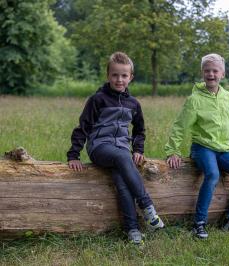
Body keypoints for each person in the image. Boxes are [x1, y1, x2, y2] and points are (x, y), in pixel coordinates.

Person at [67, 52, 164, 245]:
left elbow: (139, 130)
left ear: (131, 77)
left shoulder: (133, 103)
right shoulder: (97, 99)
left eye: (124, 75)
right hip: (100, 148)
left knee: (122, 183)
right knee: (122, 157)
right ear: (108, 75)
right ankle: (147, 206)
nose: (119, 80)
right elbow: (83, 127)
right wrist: (73, 155)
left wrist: (138, 150)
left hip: (121, 151)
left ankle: (133, 230)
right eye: (115, 75)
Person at [165, 53, 229, 239]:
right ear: (202, 73)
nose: (211, 74)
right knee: (212, 174)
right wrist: (172, 150)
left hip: (224, 149)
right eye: (207, 71)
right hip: (202, 148)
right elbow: (180, 125)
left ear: (222, 73)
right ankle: (199, 223)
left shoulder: (227, 97)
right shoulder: (194, 99)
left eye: (215, 70)